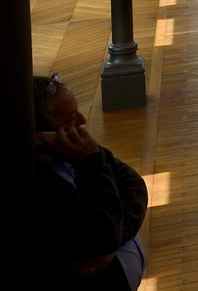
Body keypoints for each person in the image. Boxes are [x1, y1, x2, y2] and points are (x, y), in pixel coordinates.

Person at [29, 73, 148, 288]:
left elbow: (134, 184)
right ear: (41, 134)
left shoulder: (74, 148)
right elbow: (101, 234)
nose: (83, 121)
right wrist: (91, 163)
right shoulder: (41, 184)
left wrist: (114, 242)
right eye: (70, 119)